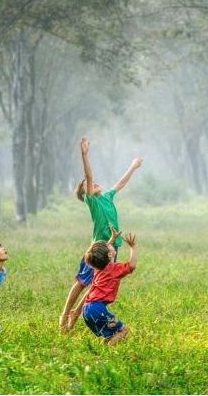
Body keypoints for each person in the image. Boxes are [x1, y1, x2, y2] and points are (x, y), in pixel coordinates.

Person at [59, 136, 142, 332]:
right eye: (90, 185)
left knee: (99, 282)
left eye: (95, 183)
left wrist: (133, 166)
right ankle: (65, 314)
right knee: (82, 282)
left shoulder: (106, 197)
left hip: (113, 247)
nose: (95, 184)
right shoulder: (93, 202)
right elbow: (88, 176)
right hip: (98, 249)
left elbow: (120, 183)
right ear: (85, 193)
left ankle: (76, 313)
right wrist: (84, 155)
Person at [75, 228, 138, 345]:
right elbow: (132, 265)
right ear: (110, 254)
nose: (111, 246)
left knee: (110, 335)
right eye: (109, 246)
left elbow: (99, 254)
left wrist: (111, 239)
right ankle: (109, 354)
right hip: (97, 309)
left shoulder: (97, 267)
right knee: (123, 330)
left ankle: (101, 353)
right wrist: (133, 247)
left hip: (87, 309)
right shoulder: (114, 270)